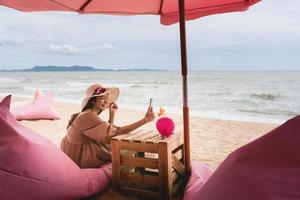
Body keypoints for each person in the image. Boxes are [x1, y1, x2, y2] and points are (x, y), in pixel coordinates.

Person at [61, 83, 155, 168]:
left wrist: (112, 114)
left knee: (123, 148)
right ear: (93, 101)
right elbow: (115, 133)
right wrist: (145, 120)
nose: (106, 102)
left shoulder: (88, 114)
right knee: (127, 150)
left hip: (80, 149)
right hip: (80, 156)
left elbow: (108, 132)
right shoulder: (87, 115)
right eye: (102, 98)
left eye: (106, 98)